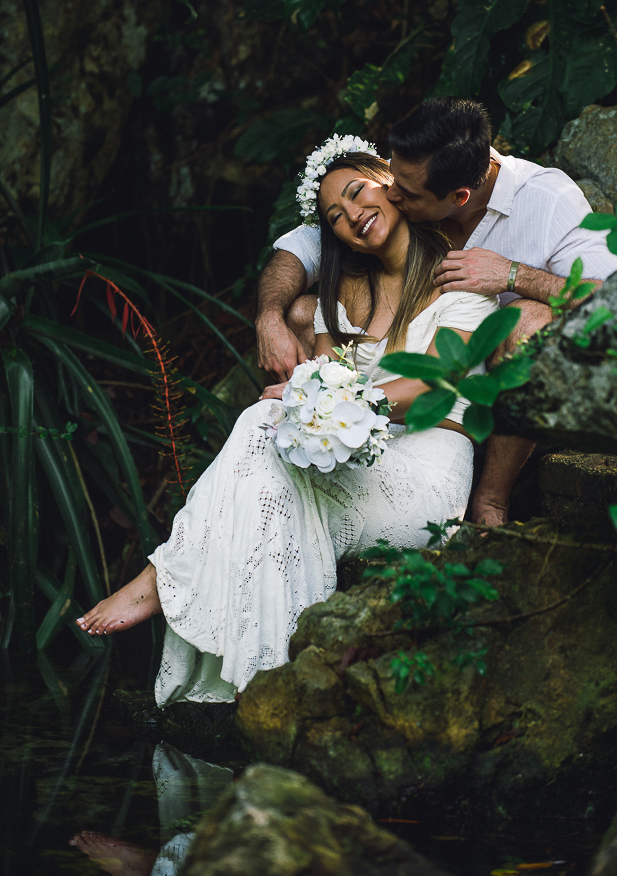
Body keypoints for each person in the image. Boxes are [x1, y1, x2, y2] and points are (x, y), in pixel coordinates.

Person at [76, 144, 497, 705]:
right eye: (333, 218)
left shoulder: (458, 276)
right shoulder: (338, 297)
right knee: (268, 457)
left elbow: (437, 382)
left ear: (389, 183)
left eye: (356, 194)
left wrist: (322, 401)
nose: (351, 217)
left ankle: (161, 582)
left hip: (427, 478)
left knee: (265, 423)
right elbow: (322, 390)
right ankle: (260, 680)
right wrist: (306, 403)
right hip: (360, 464)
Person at [256, 98, 617, 526]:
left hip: (508, 383)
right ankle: (330, 456)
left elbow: (616, 303)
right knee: (302, 311)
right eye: (389, 176)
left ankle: (491, 502)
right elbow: (300, 247)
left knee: (529, 321)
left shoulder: (545, 200)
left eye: (405, 193)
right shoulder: (409, 176)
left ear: (458, 197)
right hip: (410, 369)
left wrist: (514, 275)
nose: (390, 194)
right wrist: (268, 316)